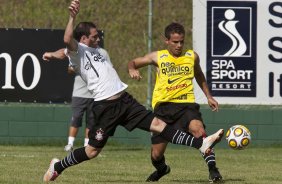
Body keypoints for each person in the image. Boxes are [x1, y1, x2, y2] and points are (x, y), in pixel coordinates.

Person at [43, 0, 224, 182]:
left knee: (159, 126)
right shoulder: (78, 51)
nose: (98, 39)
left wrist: (52, 54)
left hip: (125, 100)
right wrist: (72, 17)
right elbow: (67, 42)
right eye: (94, 36)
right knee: (92, 151)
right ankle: (58, 166)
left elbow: (64, 51)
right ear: (83, 39)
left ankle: (201, 144)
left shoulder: (94, 50)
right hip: (106, 107)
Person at [128, 22, 223, 182]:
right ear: (167, 41)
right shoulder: (158, 57)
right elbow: (134, 62)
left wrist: (208, 96)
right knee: (156, 155)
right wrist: (132, 69)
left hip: (186, 105)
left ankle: (213, 170)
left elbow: (199, 75)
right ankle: (162, 169)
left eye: (182, 42)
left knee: (199, 132)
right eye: (175, 42)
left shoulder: (192, 57)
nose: (179, 45)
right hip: (163, 108)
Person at [43, 48, 103, 151]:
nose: (96, 40)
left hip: (94, 94)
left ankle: (86, 146)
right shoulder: (79, 54)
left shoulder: (100, 55)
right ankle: (70, 144)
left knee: (91, 122)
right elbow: (70, 69)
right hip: (79, 94)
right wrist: (80, 67)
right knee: (76, 118)